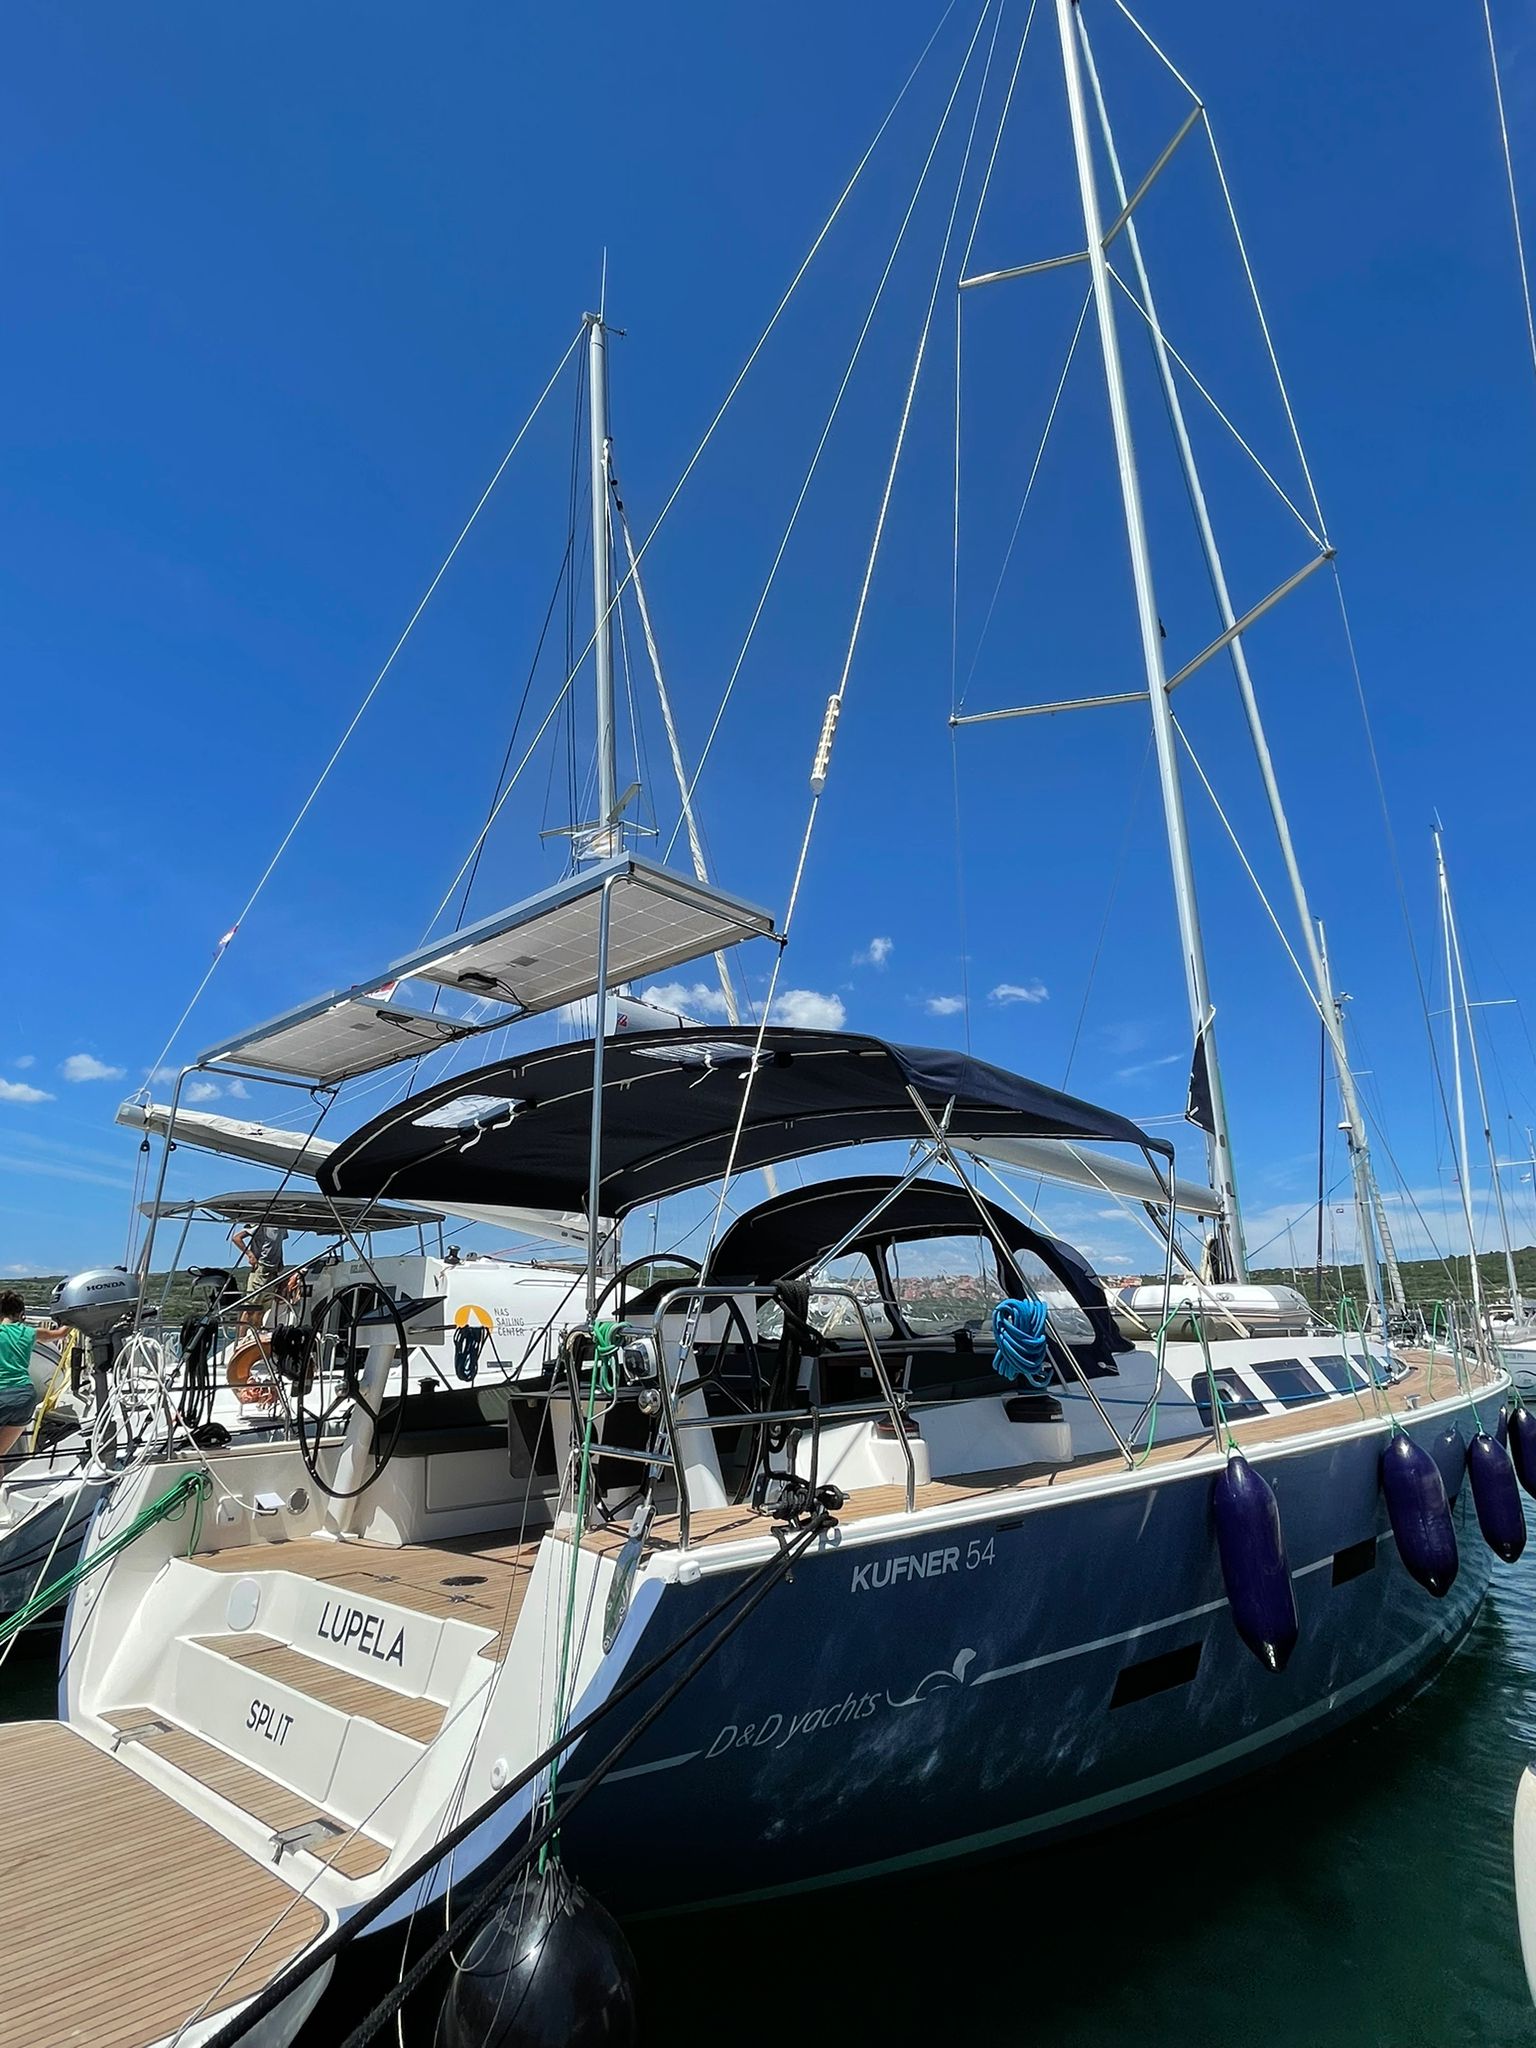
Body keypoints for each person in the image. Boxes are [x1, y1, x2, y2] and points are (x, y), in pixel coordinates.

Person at [0, 1290, 72, 1461]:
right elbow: (61, 1333)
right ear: (21, 1314)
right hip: (24, 1397)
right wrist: (74, 1316)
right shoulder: (30, 1333)